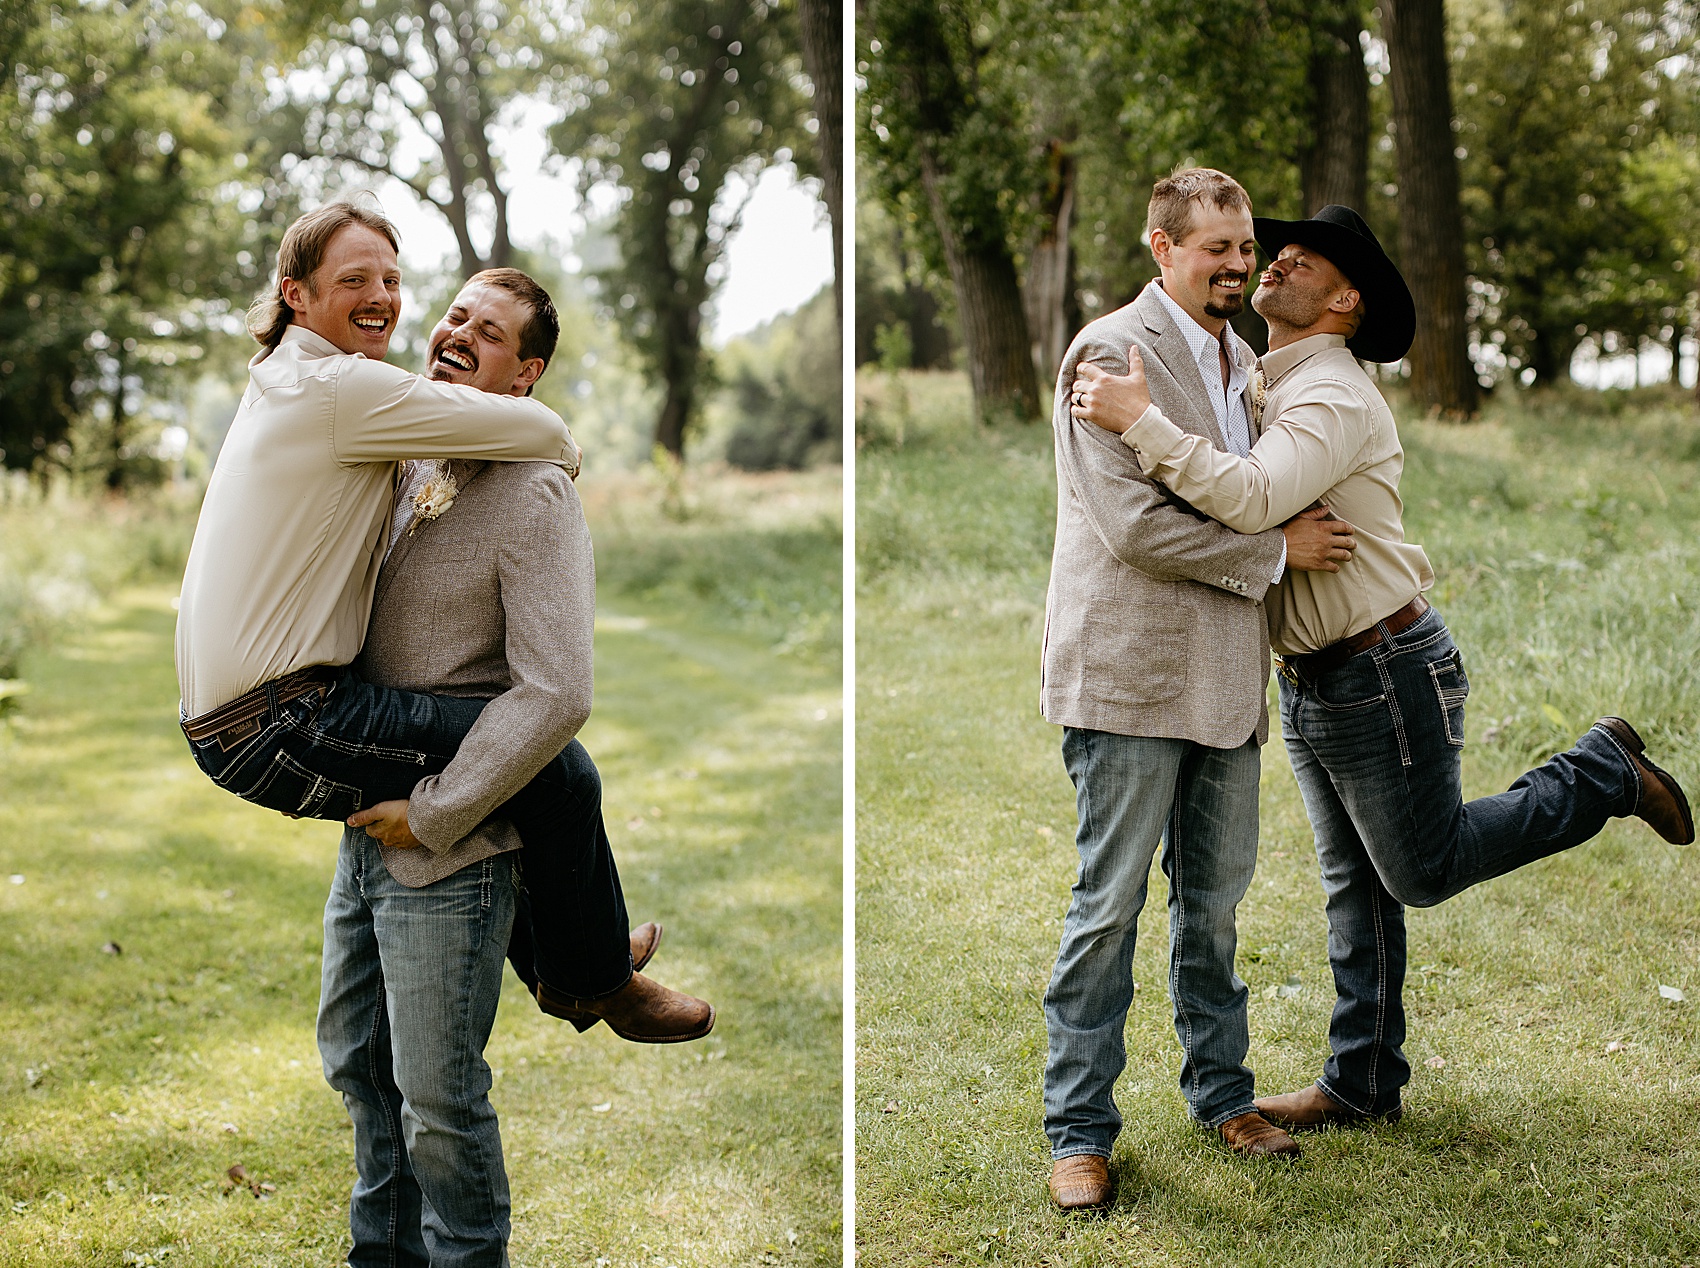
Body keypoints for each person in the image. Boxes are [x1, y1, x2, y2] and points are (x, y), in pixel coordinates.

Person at [1070, 202, 1693, 1134]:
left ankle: (1599, 772)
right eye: (1266, 251)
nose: (1273, 262)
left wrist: (1143, 421)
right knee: (1353, 886)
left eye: (1301, 259)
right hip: (1315, 675)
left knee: (1423, 868)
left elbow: (1251, 497)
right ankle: (1362, 1079)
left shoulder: (1329, 393)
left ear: (1346, 298)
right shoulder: (1261, 381)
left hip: (1381, 666)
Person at [175, 200, 710, 1040]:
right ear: (295, 294)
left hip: (245, 716)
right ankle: (594, 977)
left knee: (530, 758)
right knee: (559, 771)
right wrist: (560, 441)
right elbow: (534, 427)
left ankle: (582, 961)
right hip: (279, 718)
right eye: (353, 279)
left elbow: (551, 681)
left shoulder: (296, 381)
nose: (383, 296)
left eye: (391, 279)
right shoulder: (345, 389)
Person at [318, 268, 685, 1266]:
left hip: (452, 847)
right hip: (361, 834)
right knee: (359, 1067)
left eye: (488, 332)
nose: (457, 334)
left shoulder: (533, 493)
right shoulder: (400, 456)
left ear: (523, 375)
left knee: (437, 1098)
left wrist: (434, 810)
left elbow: (557, 691)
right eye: (456, 316)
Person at [1039, 168, 1362, 1210]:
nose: (1232, 262)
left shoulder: (1248, 364)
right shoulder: (1105, 355)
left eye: (1241, 245)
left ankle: (1224, 1094)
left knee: (1212, 912)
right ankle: (1078, 1130)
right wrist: (1273, 553)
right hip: (1128, 677)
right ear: (1159, 247)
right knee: (1106, 909)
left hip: (1225, 678)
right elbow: (1131, 529)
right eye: (1211, 245)